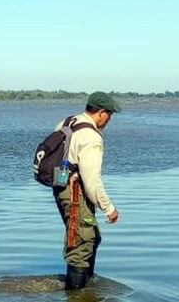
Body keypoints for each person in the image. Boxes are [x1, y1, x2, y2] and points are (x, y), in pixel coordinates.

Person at [52, 91, 120, 289]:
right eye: (109, 114)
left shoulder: (68, 121)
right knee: (82, 244)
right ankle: (76, 294)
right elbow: (91, 181)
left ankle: (87, 287)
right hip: (75, 192)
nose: (110, 119)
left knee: (91, 237)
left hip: (61, 187)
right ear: (100, 112)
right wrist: (108, 208)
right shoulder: (91, 137)